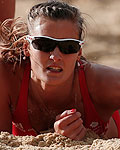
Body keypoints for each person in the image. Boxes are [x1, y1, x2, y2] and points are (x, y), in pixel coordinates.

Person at [0, 1, 120, 140]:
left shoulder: (100, 83)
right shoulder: (8, 76)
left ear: (79, 53)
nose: (55, 56)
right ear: (27, 47)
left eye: (69, 46)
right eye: (44, 44)